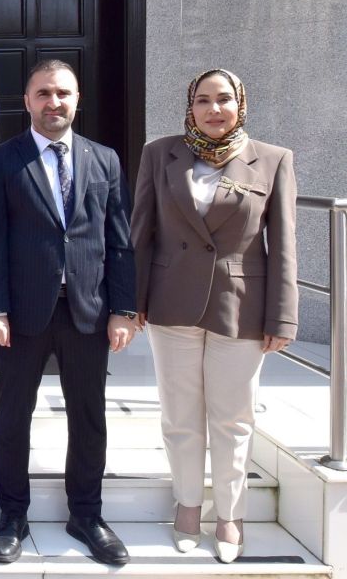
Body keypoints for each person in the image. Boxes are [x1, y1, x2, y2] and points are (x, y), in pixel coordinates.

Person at [131, 68, 297, 563]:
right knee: (180, 415)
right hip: (170, 303)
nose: (213, 109)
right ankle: (187, 505)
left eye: (223, 99)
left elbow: (283, 245)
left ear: (240, 104)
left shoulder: (272, 159)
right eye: (202, 100)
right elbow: (142, 232)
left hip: (240, 306)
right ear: (190, 105)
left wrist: (283, 316)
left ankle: (230, 515)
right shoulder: (160, 153)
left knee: (233, 418)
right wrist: (132, 300)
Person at [0, 59, 137, 566]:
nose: (54, 102)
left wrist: (124, 309)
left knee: (88, 417)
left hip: (89, 311)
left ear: (77, 99)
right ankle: (13, 515)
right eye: (43, 93)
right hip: (23, 312)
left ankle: (86, 514)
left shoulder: (104, 159)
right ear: (27, 101)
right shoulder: (1, 160)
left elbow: (120, 240)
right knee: (12, 415)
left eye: (63, 93)